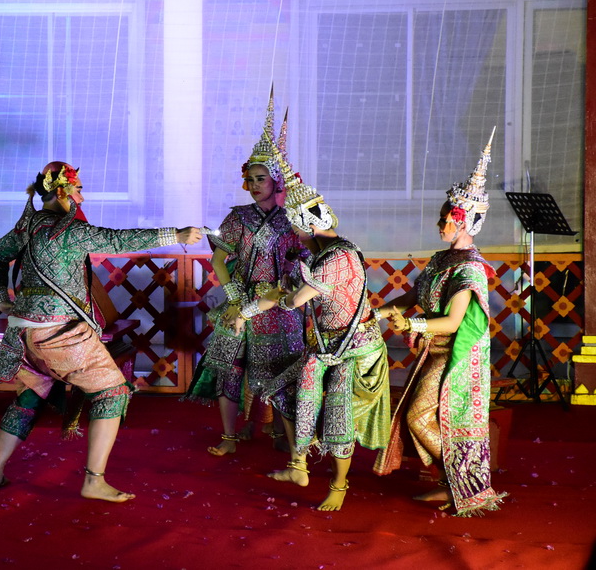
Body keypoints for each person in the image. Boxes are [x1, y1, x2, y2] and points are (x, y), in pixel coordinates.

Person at [0, 161, 202, 502]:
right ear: (61, 191)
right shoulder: (68, 230)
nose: (82, 197)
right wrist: (176, 234)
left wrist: (1, 300)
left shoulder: (27, 226)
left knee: (31, 396)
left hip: (22, 333)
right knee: (113, 392)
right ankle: (93, 481)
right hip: (60, 333)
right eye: (78, 189)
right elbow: (118, 240)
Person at [373, 131, 506, 515]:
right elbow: (413, 296)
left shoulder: (470, 269)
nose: (441, 224)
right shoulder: (440, 260)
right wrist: (376, 313)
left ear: (466, 225)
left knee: (418, 417)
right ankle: (454, 485)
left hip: (455, 355)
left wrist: (411, 326)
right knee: (419, 416)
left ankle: (466, 485)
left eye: (448, 219)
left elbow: (451, 322)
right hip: (434, 349)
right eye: (443, 217)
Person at [253, 143, 390, 512]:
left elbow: (295, 299)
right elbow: (286, 288)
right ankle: (298, 465)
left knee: (337, 414)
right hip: (325, 346)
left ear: (309, 224)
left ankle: (339, 484)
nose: (294, 233)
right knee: (281, 389)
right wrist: (248, 310)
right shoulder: (316, 254)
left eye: (295, 227)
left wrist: (278, 298)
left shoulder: (338, 257)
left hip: (354, 349)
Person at [185, 96, 305, 457]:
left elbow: (301, 264)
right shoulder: (238, 217)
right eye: (249, 179)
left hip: (279, 305)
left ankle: (282, 433)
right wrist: (236, 298)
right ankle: (229, 436)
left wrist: (286, 290)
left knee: (280, 373)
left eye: (260, 178)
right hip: (239, 301)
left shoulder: (293, 220)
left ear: (277, 179)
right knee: (229, 371)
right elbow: (218, 259)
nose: (254, 184)